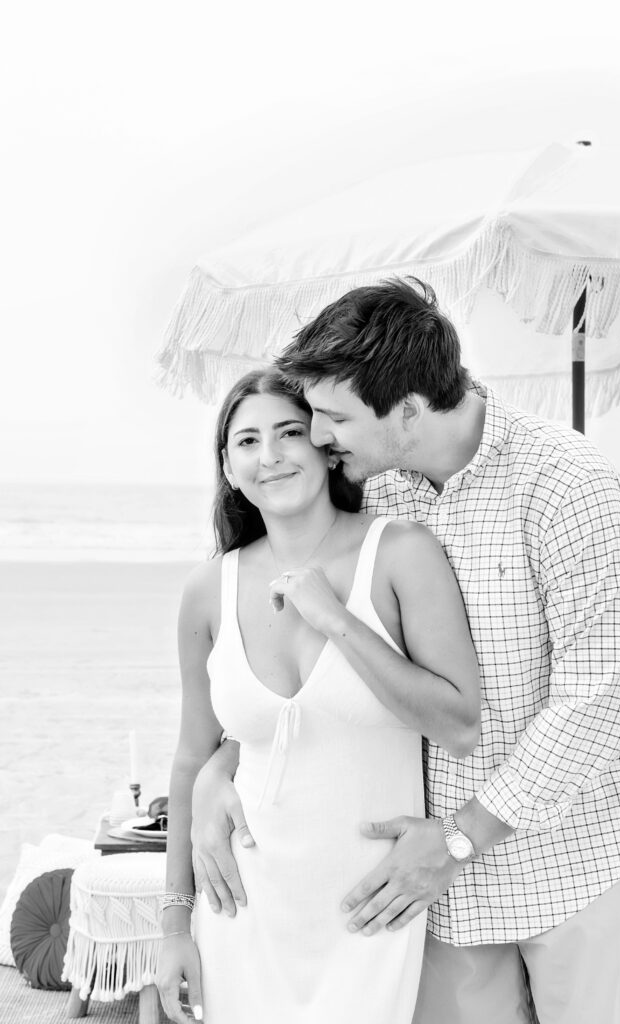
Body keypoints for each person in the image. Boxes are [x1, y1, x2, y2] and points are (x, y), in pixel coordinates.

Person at [190, 280, 620, 1024]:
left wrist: (461, 837)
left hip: (573, 864)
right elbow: (306, 682)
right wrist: (219, 767)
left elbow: (596, 700)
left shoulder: (568, 483)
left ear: (408, 409)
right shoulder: (377, 492)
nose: (315, 437)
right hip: (432, 891)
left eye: (333, 417)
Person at [156, 367, 481, 1024]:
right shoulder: (206, 590)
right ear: (226, 463)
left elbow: (458, 722)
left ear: (325, 444)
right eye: (246, 441)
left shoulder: (400, 553)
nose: (269, 456)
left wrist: (336, 620)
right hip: (239, 911)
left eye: (289, 433)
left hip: (369, 911)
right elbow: (194, 756)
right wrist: (172, 925)